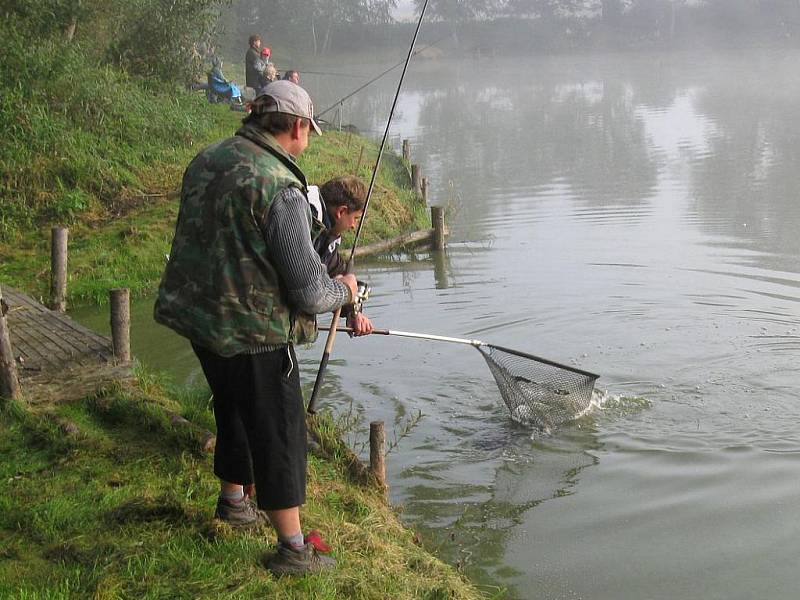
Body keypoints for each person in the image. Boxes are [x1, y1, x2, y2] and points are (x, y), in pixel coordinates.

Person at [154, 80, 358, 576]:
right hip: (255, 332)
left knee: (233, 408)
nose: (309, 137)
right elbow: (311, 292)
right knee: (278, 432)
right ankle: (292, 548)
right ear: (296, 126)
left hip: (200, 318)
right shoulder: (278, 185)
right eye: (310, 128)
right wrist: (347, 291)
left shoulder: (209, 157)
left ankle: (233, 502)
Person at [308, 176, 374, 336]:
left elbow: (337, 272)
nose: (353, 226)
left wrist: (353, 312)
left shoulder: (326, 234)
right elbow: (306, 283)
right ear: (341, 211)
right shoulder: (306, 220)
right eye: (355, 219)